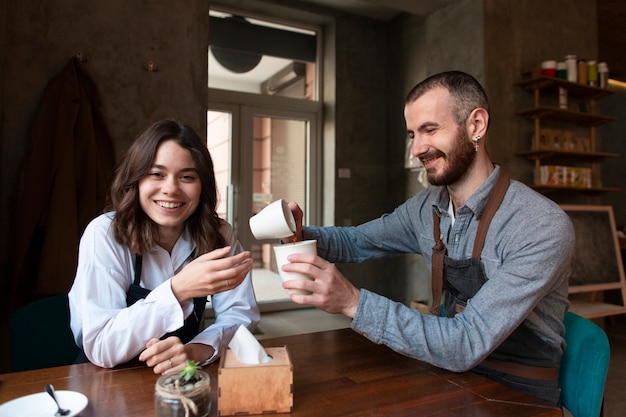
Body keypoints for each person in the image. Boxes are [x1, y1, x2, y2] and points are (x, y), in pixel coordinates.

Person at [280, 71, 574, 407]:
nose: (417, 149)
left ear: (476, 124)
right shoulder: (426, 209)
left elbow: (466, 342)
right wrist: (298, 232)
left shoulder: (540, 225)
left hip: (519, 393)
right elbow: (356, 241)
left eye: (430, 130)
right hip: (450, 373)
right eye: (412, 135)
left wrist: (353, 302)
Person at [69, 119, 259, 373]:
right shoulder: (104, 233)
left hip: (180, 378)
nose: (170, 189)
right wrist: (179, 288)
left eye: (187, 177)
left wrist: (197, 350)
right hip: (109, 381)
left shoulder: (217, 233)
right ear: (136, 180)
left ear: (202, 186)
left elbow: (240, 314)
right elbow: (101, 345)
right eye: (156, 174)